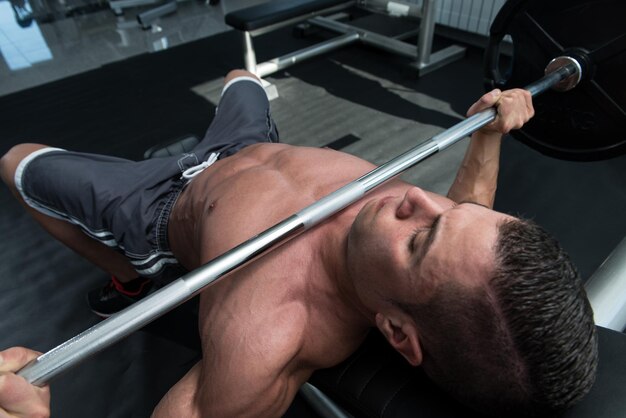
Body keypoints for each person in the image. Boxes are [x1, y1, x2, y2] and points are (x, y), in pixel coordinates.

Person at [0, 70, 598, 417]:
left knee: (17, 163)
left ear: (395, 332)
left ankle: (130, 274)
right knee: (243, 77)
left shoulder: (267, 340)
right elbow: (468, 222)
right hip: (241, 144)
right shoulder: (440, 261)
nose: (421, 199)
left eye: (420, 238)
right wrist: (489, 134)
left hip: (162, 206)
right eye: (454, 209)